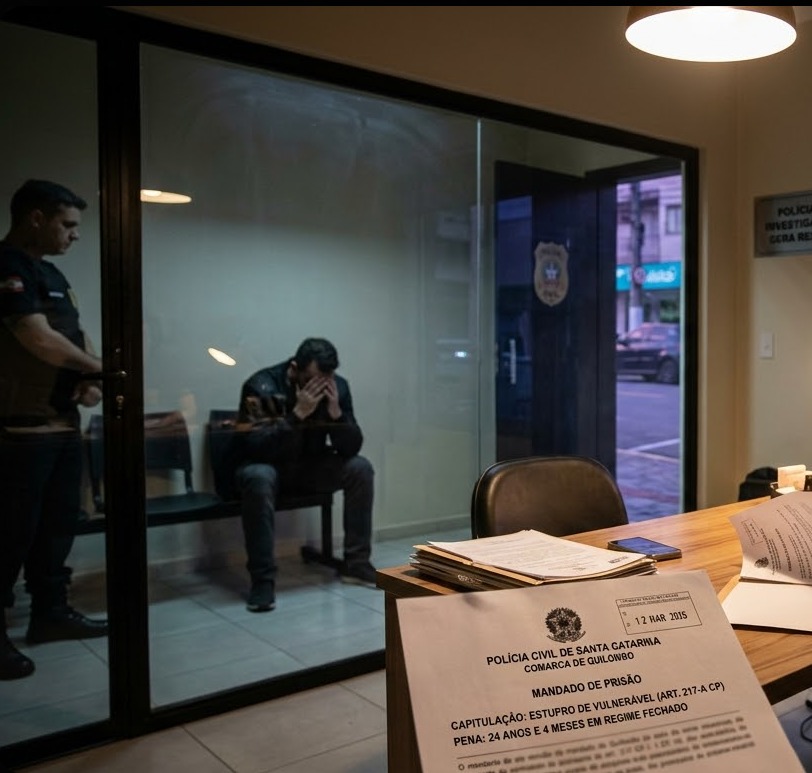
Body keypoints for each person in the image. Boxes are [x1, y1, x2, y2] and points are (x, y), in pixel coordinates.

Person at [0, 180, 109, 681]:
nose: (75, 234)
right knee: (11, 535)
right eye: (68, 224)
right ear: (36, 218)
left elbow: (74, 335)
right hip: (20, 431)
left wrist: (93, 377)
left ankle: (50, 613)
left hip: (62, 424)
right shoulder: (7, 266)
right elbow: (37, 338)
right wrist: (99, 370)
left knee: (57, 528)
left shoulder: (53, 274)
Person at [233, 337, 376, 612]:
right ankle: (262, 580)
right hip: (268, 466)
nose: (319, 386)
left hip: (308, 467)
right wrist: (296, 415)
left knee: (360, 468)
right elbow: (256, 447)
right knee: (259, 476)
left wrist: (337, 416)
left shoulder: (337, 387)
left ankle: (356, 564)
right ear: (294, 368)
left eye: (326, 378)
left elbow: (351, 448)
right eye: (312, 379)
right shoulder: (263, 386)